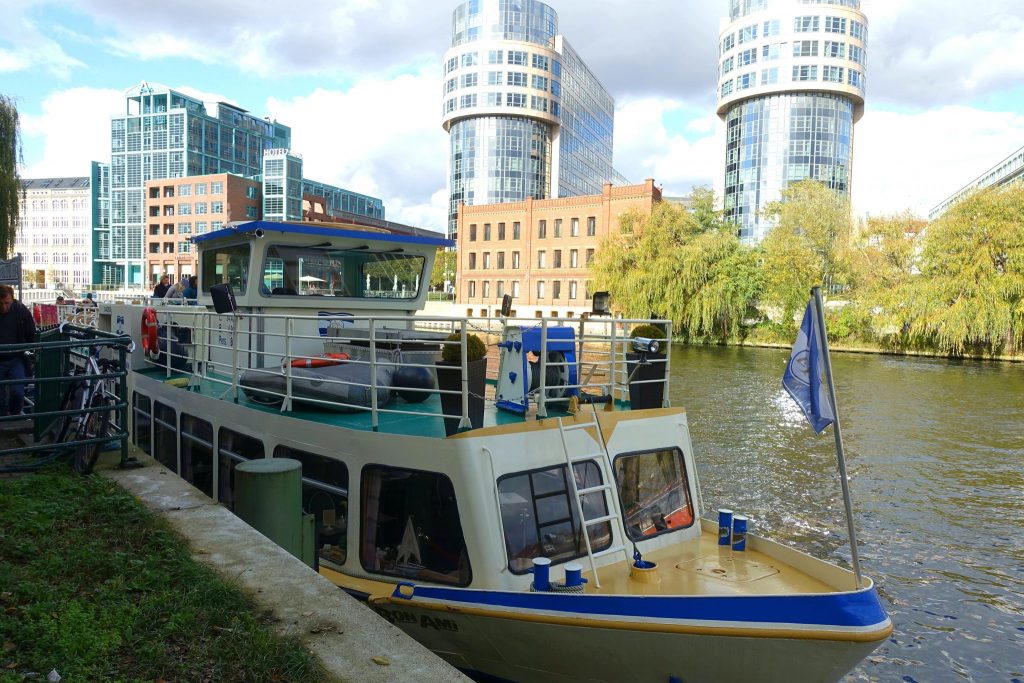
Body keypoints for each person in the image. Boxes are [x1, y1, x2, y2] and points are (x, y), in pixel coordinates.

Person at [0, 284, 37, 418]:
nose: (4, 307)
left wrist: (29, 353)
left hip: (16, 358)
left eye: (7, 303)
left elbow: (31, 332)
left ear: (12, 299)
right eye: (1, 303)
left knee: (18, 392)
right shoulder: (19, 310)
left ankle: (14, 415)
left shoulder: (20, 310)